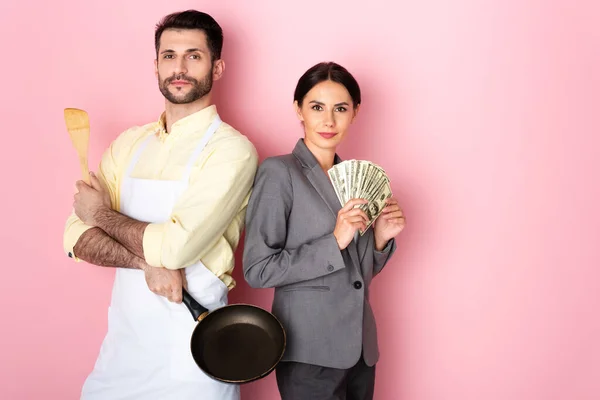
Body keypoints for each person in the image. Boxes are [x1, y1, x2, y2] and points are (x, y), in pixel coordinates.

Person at [62, 10, 258, 400]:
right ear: (155, 65)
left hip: (195, 357)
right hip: (121, 354)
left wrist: (101, 214)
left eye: (194, 56)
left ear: (217, 68)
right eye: (169, 56)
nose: (179, 68)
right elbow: (75, 237)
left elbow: (176, 249)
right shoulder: (129, 144)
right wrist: (144, 263)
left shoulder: (232, 151)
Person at [243, 62, 406, 400]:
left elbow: (356, 277)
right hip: (309, 351)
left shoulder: (351, 179)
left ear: (355, 113)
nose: (328, 121)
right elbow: (257, 269)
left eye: (340, 109)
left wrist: (379, 240)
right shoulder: (279, 173)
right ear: (298, 110)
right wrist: (334, 240)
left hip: (361, 350)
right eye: (317, 107)